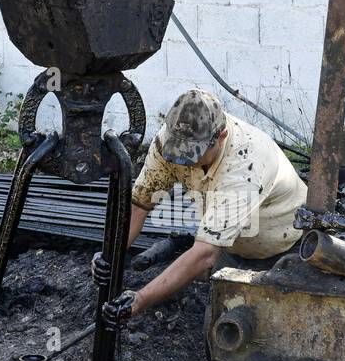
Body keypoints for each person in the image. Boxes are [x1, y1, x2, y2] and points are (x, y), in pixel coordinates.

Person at [107, 89, 307, 316]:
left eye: (193, 154)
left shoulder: (245, 166)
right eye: (178, 154)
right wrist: (110, 255)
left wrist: (141, 299)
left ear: (220, 137)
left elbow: (205, 253)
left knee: (260, 329)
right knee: (217, 323)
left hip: (283, 249)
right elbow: (139, 204)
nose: (184, 161)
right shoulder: (169, 141)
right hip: (230, 246)